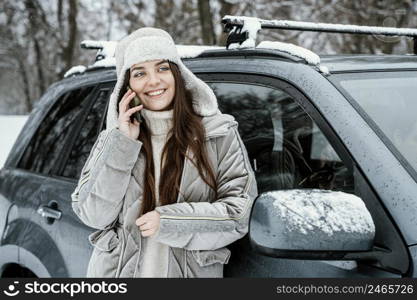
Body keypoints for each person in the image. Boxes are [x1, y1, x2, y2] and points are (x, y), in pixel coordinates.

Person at [71, 27, 258, 278]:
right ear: (127, 86)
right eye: (140, 73)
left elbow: (239, 213)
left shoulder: (218, 133)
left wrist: (171, 223)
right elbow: (92, 214)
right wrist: (122, 144)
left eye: (162, 68)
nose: (154, 81)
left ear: (178, 74)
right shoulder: (115, 139)